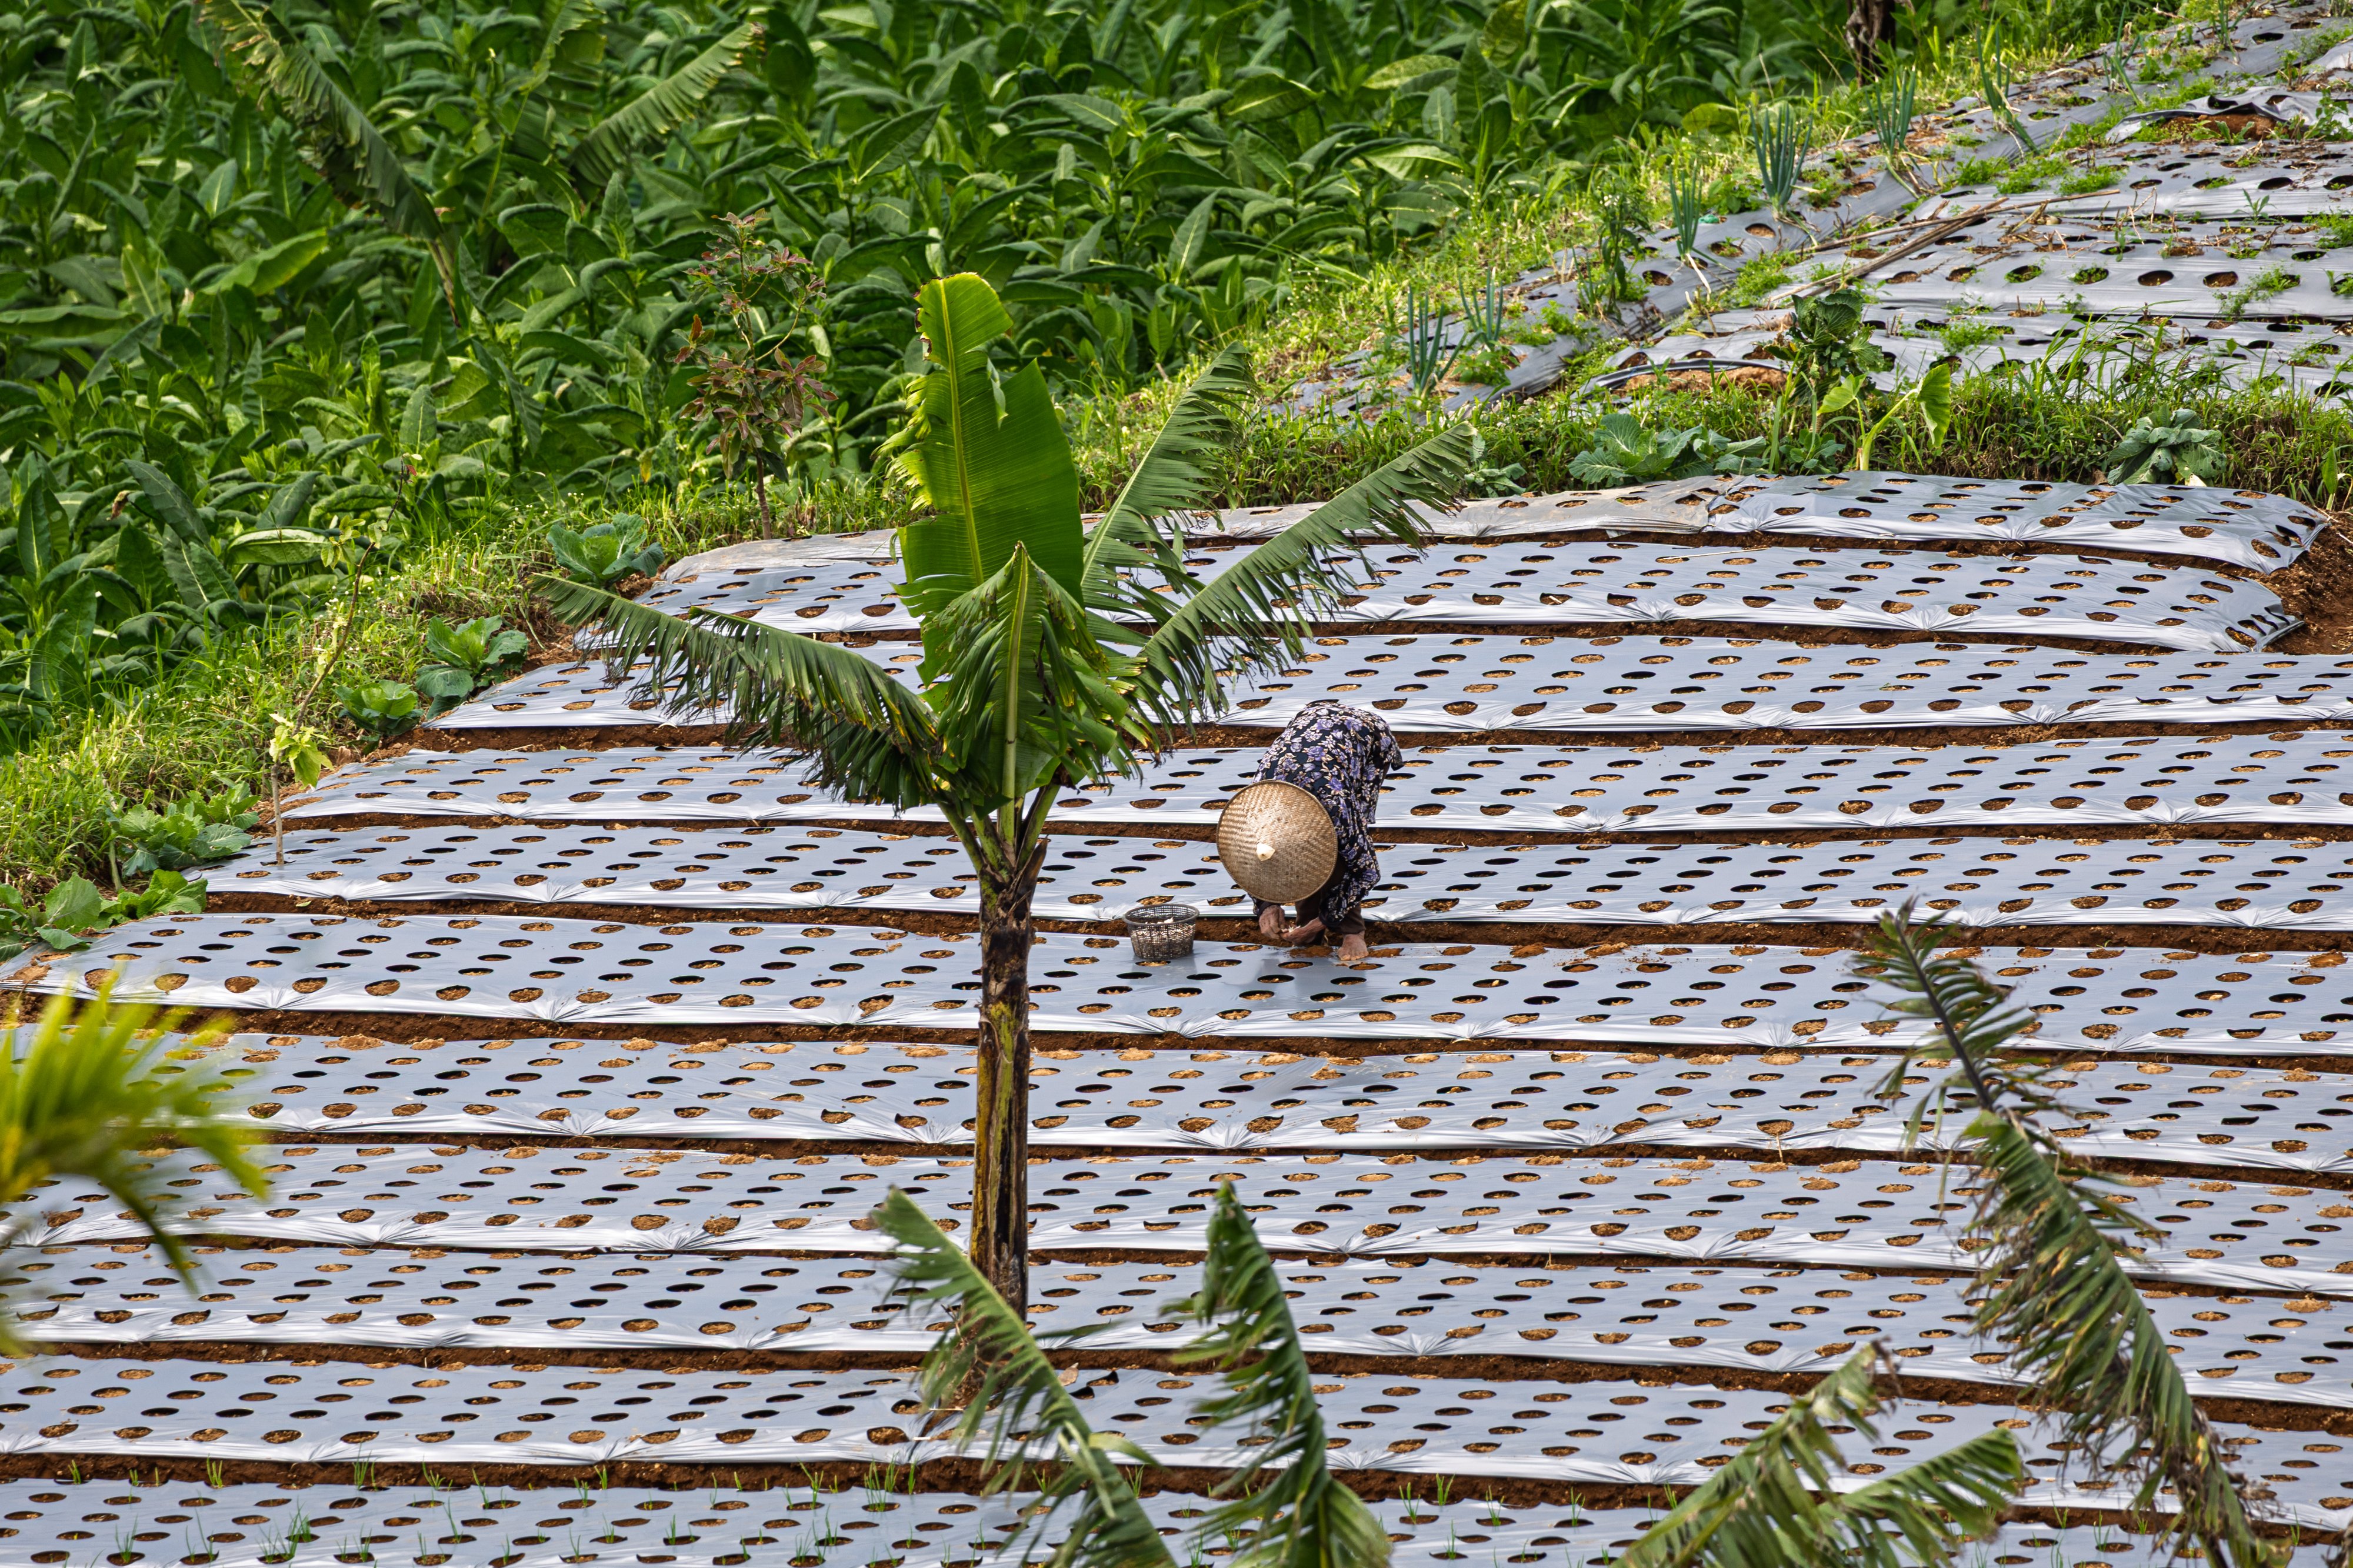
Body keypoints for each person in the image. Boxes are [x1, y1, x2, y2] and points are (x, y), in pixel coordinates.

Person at [1212, 702, 1400, 962]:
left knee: (1344, 853)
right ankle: (1307, 930)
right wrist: (1266, 906)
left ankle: (1353, 932)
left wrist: (1323, 921)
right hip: (1309, 725)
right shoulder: (1251, 816)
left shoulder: (1337, 809)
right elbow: (1250, 860)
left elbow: (1366, 872)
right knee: (1294, 863)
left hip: (1362, 734)